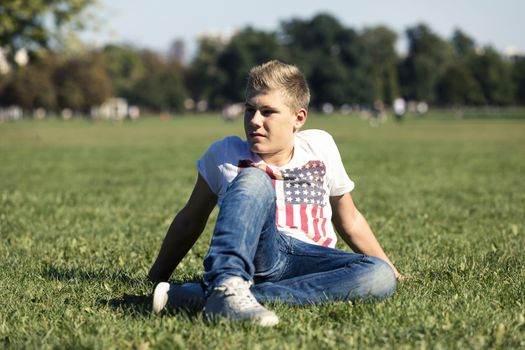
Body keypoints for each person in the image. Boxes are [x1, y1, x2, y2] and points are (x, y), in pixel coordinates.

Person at [148, 60, 401, 327]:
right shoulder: (225, 154)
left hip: (312, 260)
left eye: (268, 112)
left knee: (378, 276)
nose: (255, 121)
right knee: (254, 178)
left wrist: (392, 270)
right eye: (250, 110)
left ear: (298, 118)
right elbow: (190, 220)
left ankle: (209, 297)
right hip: (261, 252)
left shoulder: (320, 146)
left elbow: (349, 219)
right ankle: (228, 283)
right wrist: (156, 277)